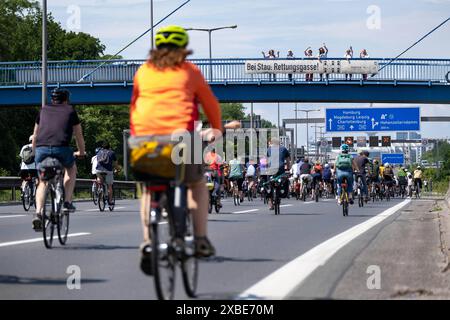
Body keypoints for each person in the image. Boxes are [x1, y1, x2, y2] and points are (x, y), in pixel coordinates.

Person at [129, 25, 240, 274]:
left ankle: (148, 243)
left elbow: (134, 106)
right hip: (181, 138)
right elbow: (211, 104)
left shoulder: (143, 71)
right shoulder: (190, 71)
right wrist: (217, 129)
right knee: (197, 183)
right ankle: (200, 239)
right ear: (184, 49)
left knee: (149, 191)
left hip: (144, 140)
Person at [31, 88, 86, 230]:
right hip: (61, 148)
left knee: (42, 182)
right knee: (71, 168)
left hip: (41, 150)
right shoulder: (70, 111)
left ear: (53, 99)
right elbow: (78, 135)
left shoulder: (43, 110)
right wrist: (81, 151)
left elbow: (35, 134)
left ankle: (38, 213)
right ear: (66, 99)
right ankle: (67, 202)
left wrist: (33, 151)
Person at [266, 137, 291, 209]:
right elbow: (288, 160)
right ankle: (281, 192)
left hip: (271, 169)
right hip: (280, 168)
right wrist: (288, 168)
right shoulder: (283, 149)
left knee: (269, 183)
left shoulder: (269, 149)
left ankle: (271, 203)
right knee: (283, 181)